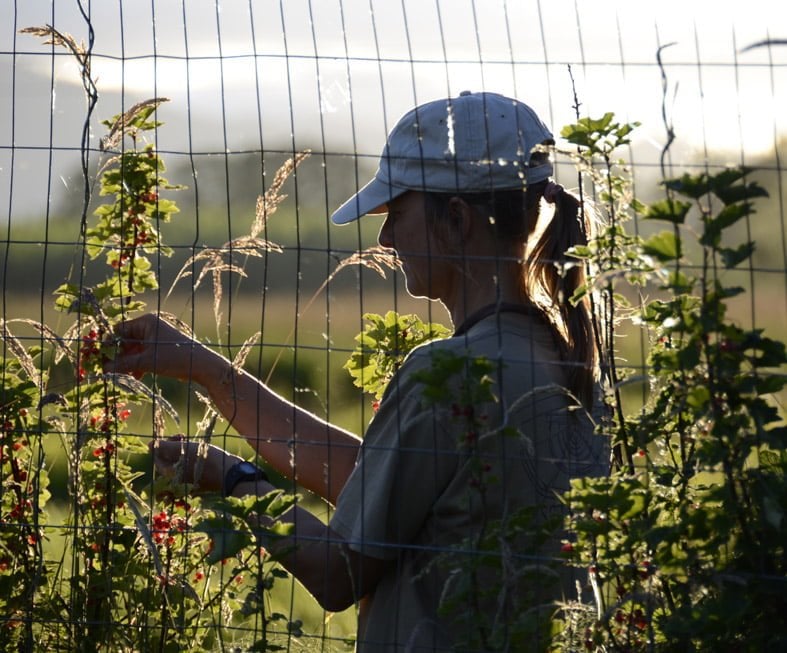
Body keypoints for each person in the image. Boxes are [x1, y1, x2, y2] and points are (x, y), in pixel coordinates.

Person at [106, 91, 609, 651]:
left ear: (457, 219)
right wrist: (206, 370)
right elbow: (387, 487)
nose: (385, 238)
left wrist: (232, 479)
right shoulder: (568, 358)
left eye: (397, 213)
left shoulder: (448, 373)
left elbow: (338, 573)